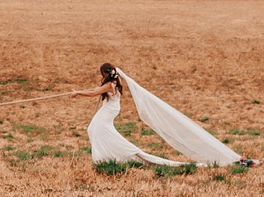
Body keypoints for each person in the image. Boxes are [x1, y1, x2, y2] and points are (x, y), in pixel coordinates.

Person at [73, 62, 247, 167]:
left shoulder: (110, 85)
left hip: (109, 111)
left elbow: (94, 93)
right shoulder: (111, 83)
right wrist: (79, 91)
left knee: (95, 129)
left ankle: (121, 153)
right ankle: (107, 155)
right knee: (93, 129)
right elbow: (96, 90)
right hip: (109, 109)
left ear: (105, 73)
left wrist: (78, 93)